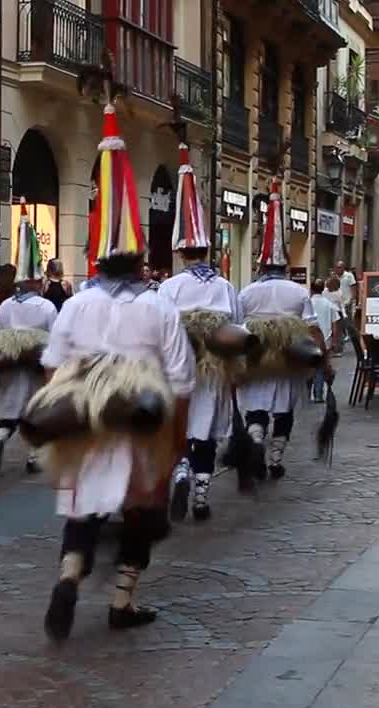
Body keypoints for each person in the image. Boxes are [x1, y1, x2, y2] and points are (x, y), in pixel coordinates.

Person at [34, 102, 193, 643]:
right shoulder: (159, 308)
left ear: (99, 257)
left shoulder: (76, 305)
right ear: (140, 257)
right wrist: (178, 443)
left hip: (84, 421)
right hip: (142, 426)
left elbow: (51, 371)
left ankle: (70, 572)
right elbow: (181, 383)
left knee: (83, 510)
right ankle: (123, 602)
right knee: (143, 515)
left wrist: (59, 419)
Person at [158, 144, 240, 521]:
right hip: (213, 370)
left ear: (181, 252)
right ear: (208, 250)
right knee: (205, 429)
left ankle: (179, 471)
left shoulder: (170, 287)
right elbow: (235, 330)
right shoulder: (225, 287)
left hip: (176, 369)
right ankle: (202, 495)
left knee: (178, 425)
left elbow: (158, 328)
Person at [236, 179, 330, 481]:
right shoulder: (298, 292)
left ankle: (257, 442)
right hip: (288, 360)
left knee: (256, 408)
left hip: (255, 359)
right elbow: (314, 330)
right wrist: (323, 360)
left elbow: (237, 329)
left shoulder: (248, 292)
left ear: (261, 265)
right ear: (285, 266)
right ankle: (276, 458)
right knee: (284, 410)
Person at [0, 219, 57, 474]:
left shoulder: (6, 306)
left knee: (9, 410)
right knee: (36, 411)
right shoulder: (46, 307)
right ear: (36, 281)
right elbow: (55, 337)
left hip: (10, 365)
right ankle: (34, 457)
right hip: (37, 367)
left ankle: (0, 438)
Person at [310, 279, 341, 403]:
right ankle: (318, 394)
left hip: (309, 339)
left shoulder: (307, 304)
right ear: (323, 289)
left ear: (311, 289)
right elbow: (335, 325)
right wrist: (335, 341)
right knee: (320, 367)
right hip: (325, 341)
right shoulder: (329, 304)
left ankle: (307, 393)